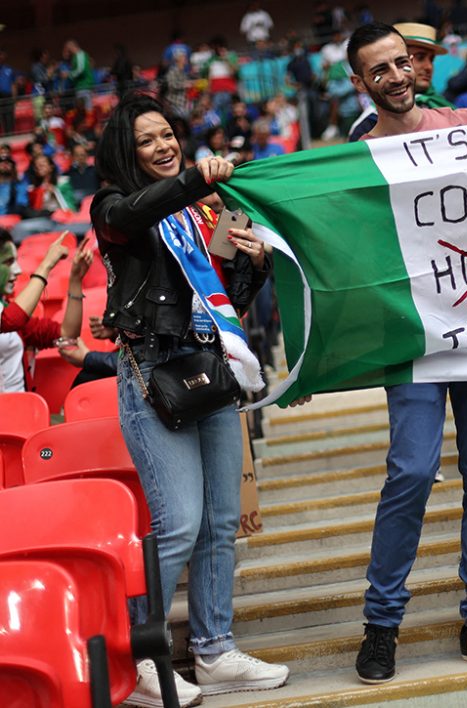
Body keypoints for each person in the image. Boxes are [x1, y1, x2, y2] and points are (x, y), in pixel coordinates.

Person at [91, 91, 288, 707]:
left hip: (209, 365)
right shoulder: (113, 207)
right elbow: (137, 213)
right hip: (152, 372)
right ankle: (139, 657)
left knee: (221, 522)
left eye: (168, 135)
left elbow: (223, 298)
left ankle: (214, 649)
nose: (164, 146)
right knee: (179, 524)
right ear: (127, 152)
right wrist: (194, 179)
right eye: (147, 140)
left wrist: (251, 263)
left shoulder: (200, 213)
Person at [347, 21, 467, 685]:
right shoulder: (355, 159)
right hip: (412, 338)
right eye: (379, 70)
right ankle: (381, 623)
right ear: (360, 83)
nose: (395, 76)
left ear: (415, 66)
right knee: (412, 471)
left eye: (401, 63)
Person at [0, 230, 89, 393]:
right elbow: (10, 320)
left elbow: (67, 333)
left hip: (18, 411)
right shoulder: (9, 317)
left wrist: (76, 279)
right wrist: (46, 264)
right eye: (8, 262)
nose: (17, 270)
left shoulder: (8, 312)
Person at [348, 22, 453, 142]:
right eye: (420, 57)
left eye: (431, 59)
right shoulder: (366, 126)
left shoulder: (444, 106)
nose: (429, 67)